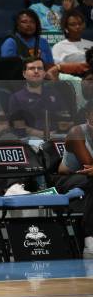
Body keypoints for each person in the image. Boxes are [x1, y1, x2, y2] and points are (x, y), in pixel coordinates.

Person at [56, 102, 93, 258]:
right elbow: (88, 166)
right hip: (69, 178)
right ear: (87, 116)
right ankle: (90, 239)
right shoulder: (76, 132)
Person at [8, 57, 74, 139]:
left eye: (39, 68)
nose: (36, 71)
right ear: (24, 74)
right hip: (30, 139)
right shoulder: (16, 98)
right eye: (32, 68)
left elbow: (66, 117)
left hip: (58, 136)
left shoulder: (55, 93)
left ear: (44, 73)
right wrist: (44, 135)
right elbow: (19, 126)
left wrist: (65, 123)